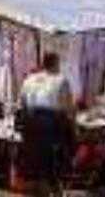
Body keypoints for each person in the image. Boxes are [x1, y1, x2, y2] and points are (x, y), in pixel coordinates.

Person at [18, 53, 78, 196]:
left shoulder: (28, 79)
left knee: (37, 171)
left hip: (31, 127)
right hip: (51, 127)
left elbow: (22, 104)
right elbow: (69, 110)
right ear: (55, 64)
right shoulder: (61, 81)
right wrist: (74, 131)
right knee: (53, 170)